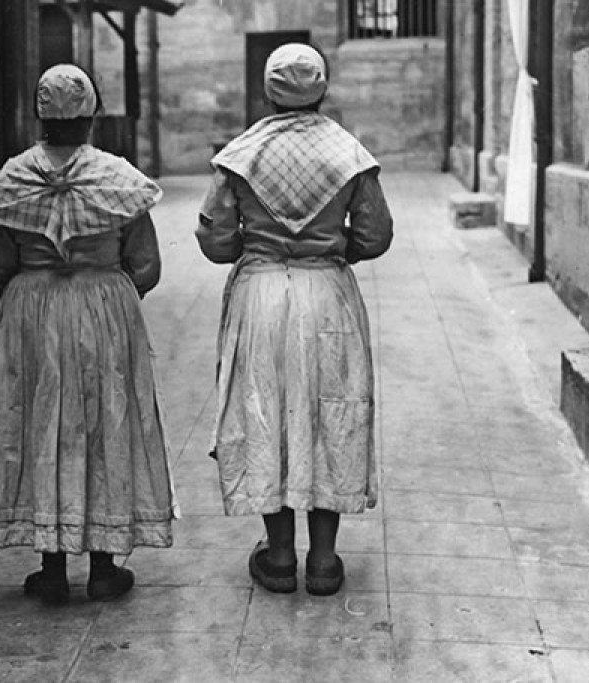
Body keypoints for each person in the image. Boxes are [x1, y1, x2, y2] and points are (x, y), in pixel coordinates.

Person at [0, 64, 178, 605]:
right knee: (104, 419)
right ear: (91, 116)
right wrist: (106, 288)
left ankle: (52, 565)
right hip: (102, 304)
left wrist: (41, 276)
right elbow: (148, 265)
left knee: (43, 422)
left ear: (40, 116)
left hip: (34, 310)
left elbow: (0, 265)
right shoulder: (116, 178)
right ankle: (106, 567)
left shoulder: (14, 178)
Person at [196, 43, 393, 595]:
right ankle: (325, 561)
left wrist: (253, 244)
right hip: (327, 291)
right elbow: (376, 234)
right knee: (329, 411)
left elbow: (215, 240)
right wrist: (332, 250)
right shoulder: (349, 153)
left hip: (259, 293)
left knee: (264, 411)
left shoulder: (240, 154)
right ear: (323, 90)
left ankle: (280, 556)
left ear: (268, 92)